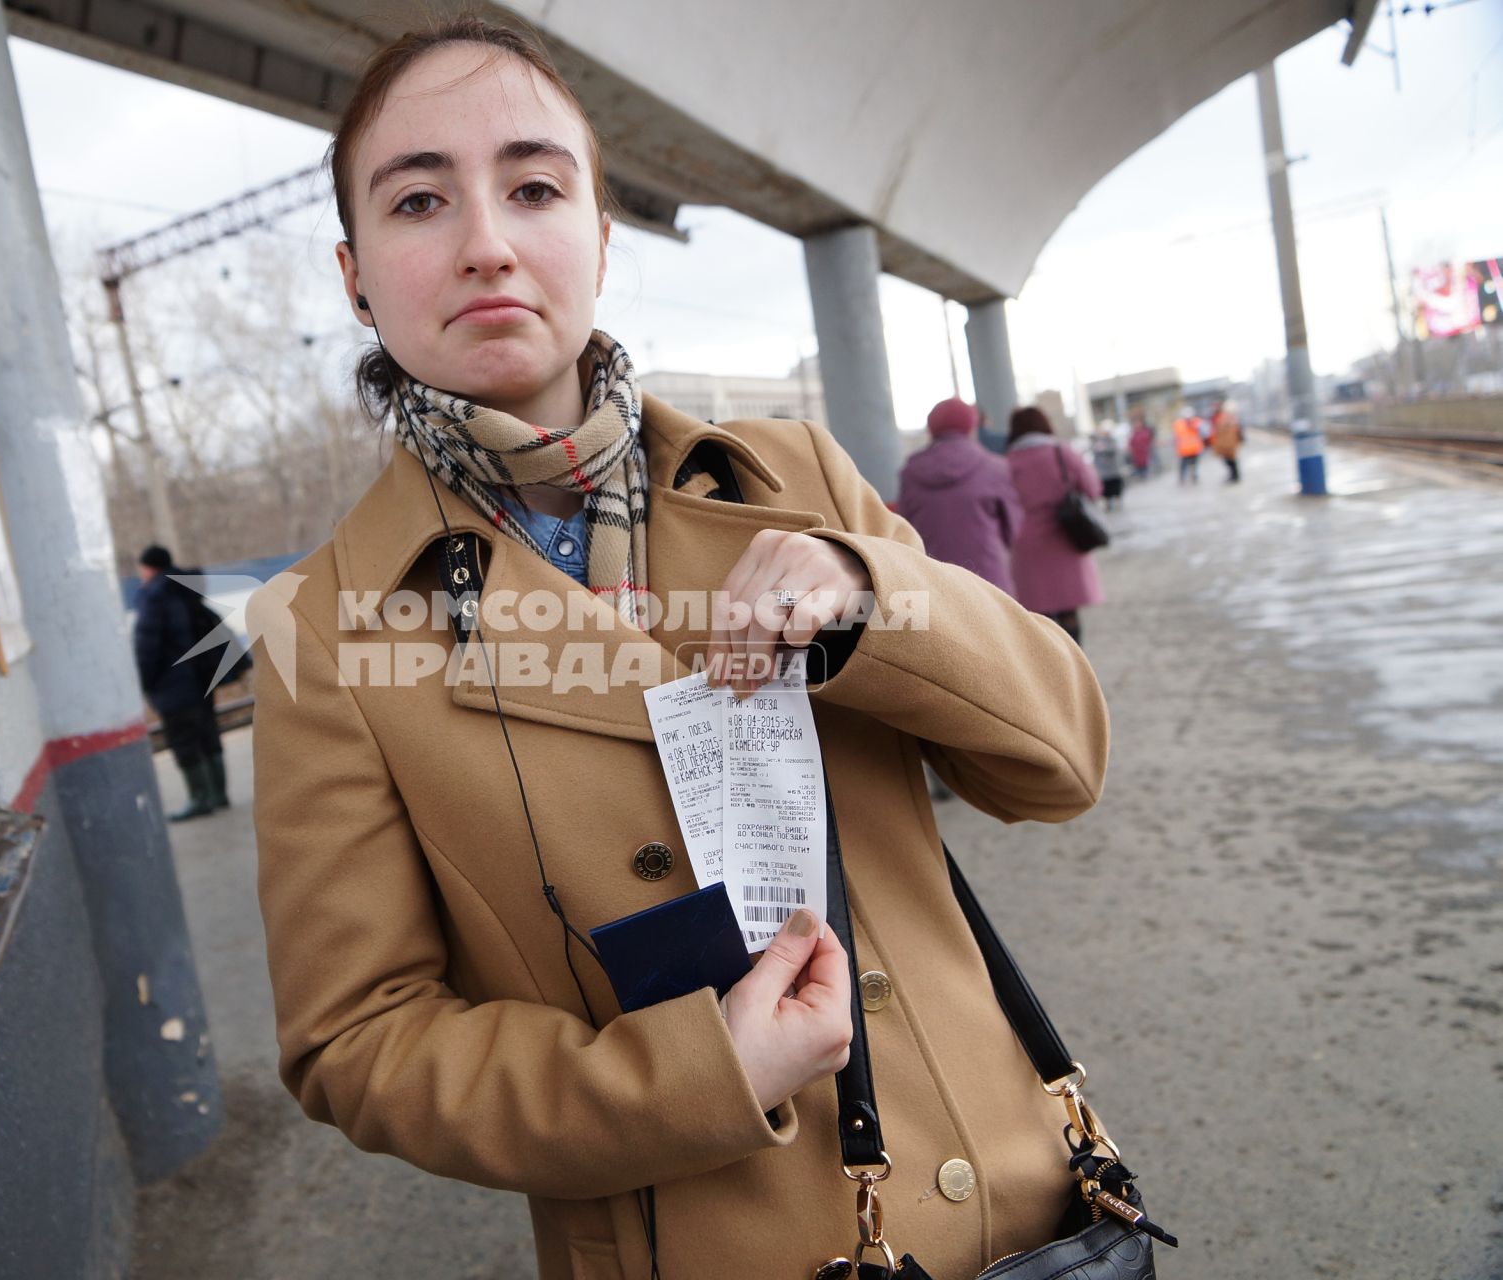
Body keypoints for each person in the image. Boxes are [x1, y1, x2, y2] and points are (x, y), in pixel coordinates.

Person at [249, 18, 1108, 1280]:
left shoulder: (793, 480)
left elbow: (1061, 760)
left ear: (600, 239)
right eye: (419, 199)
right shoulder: (329, 632)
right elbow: (355, 1040)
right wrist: (695, 1073)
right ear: (354, 272)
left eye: (534, 188)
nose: (486, 241)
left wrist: (870, 595)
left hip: (1017, 1203)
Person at [133, 545, 227, 819]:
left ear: (149, 568)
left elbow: (147, 646)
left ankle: (200, 799)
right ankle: (219, 793)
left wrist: (145, 681)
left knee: (183, 739)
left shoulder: (154, 598)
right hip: (201, 677)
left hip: (174, 683)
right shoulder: (186, 589)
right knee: (208, 732)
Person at [894, 396, 1022, 595]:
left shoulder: (911, 472)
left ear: (932, 428)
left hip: (935, 581)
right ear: (971, 426)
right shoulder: (995, 467)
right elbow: (1012, 528)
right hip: (989, 580)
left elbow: (904, 527)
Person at [1005, 407, 1106, 645]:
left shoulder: (1008, 462)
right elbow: (1093, 489)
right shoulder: (1063, 453)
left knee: (1040, 616)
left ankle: (1050, 670)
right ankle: (1075, 664)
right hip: (1065, 537)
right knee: (1069, 610)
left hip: (1026, 544)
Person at [1091, 426, 1126, 511]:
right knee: (1106, 489)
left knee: (1116, 488)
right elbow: (1095, 454)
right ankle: (1108, 504)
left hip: (1113, 470)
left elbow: (1114, 450)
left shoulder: (1112, 441)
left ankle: (1117, 503)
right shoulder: (1097, 442)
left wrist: (1104, 449)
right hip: (1103, 471)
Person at [1210, 398, 1244, 483]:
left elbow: (1231, 430)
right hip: (1226, 443)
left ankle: (1235, 476)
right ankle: (1234, 475)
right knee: (1229, 460)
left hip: (1228, 443)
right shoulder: (1222, 418)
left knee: (1231, 460)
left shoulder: (1227, 418)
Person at [1172, 411, 1204, 484]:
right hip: (1185, 449)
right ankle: (1182, 478)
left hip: (1194, 448)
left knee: (1193, 465)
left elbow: (1202, 430)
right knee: (1184, 465)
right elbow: (1176, 437)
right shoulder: (1179, 424)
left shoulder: (1195, 422)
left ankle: (1192, 476)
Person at [1127, 412, 1155, 480]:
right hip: (1137, 454)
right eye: (1136, 423)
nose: (1137, 424)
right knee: (1139, 469)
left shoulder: (1146, 431)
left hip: (1145, 453)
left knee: (1146, 468)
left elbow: (1150, 441)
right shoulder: (1133, 433)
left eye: (1139, 422)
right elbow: (1131, 443)